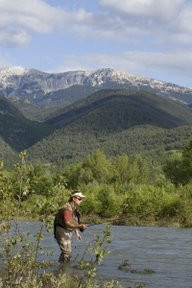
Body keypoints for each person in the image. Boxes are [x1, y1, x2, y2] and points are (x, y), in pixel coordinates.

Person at [54, 191, 88, 263]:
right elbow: (67, 223)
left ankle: (62, 267)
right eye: (79, 199)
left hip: (67, 230)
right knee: (66, 252)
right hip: (61, 230)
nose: (81, 201)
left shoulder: (74, 209)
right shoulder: (66, 209)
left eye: (82, 199)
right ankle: (63, 269)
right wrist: (80, 226)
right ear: (73, 198)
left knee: (67, 252)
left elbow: (73, 221)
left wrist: (77, 233)